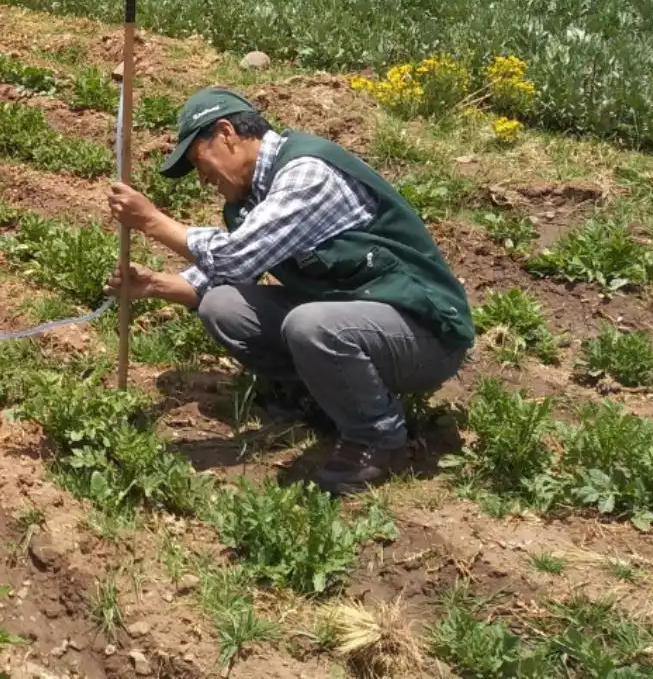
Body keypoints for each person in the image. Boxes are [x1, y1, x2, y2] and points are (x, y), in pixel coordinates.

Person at [104, 87, 473, 494]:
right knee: (223, 306)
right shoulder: (253, 197)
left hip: (425, 334)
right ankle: (324, 400)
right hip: (355, 321)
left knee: (310, 324)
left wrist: (152, 221)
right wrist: (154, 284)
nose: (203, 178)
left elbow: (234, 258)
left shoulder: (307, 173)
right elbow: (222, 276)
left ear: (226, 133)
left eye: (199, 161)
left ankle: (378, 438)